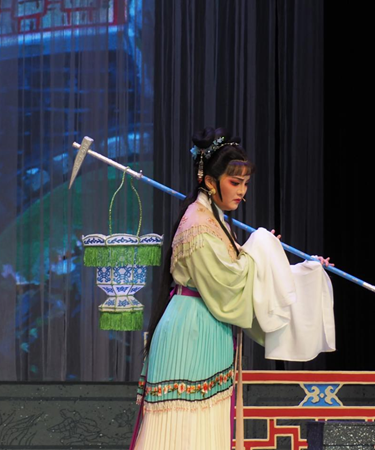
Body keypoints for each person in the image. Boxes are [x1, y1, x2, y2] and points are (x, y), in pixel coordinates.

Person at [131, 127, 331, 449]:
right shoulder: (199, 225)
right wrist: (263, 247)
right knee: (184, 430)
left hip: (208, 325)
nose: (242, 191)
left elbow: (244, 272)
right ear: (211, 182)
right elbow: (232, 282)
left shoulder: (214, 219)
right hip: (191, 329)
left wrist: (303, 269)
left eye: (245, 184)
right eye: (234, 182)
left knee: (203, 427)